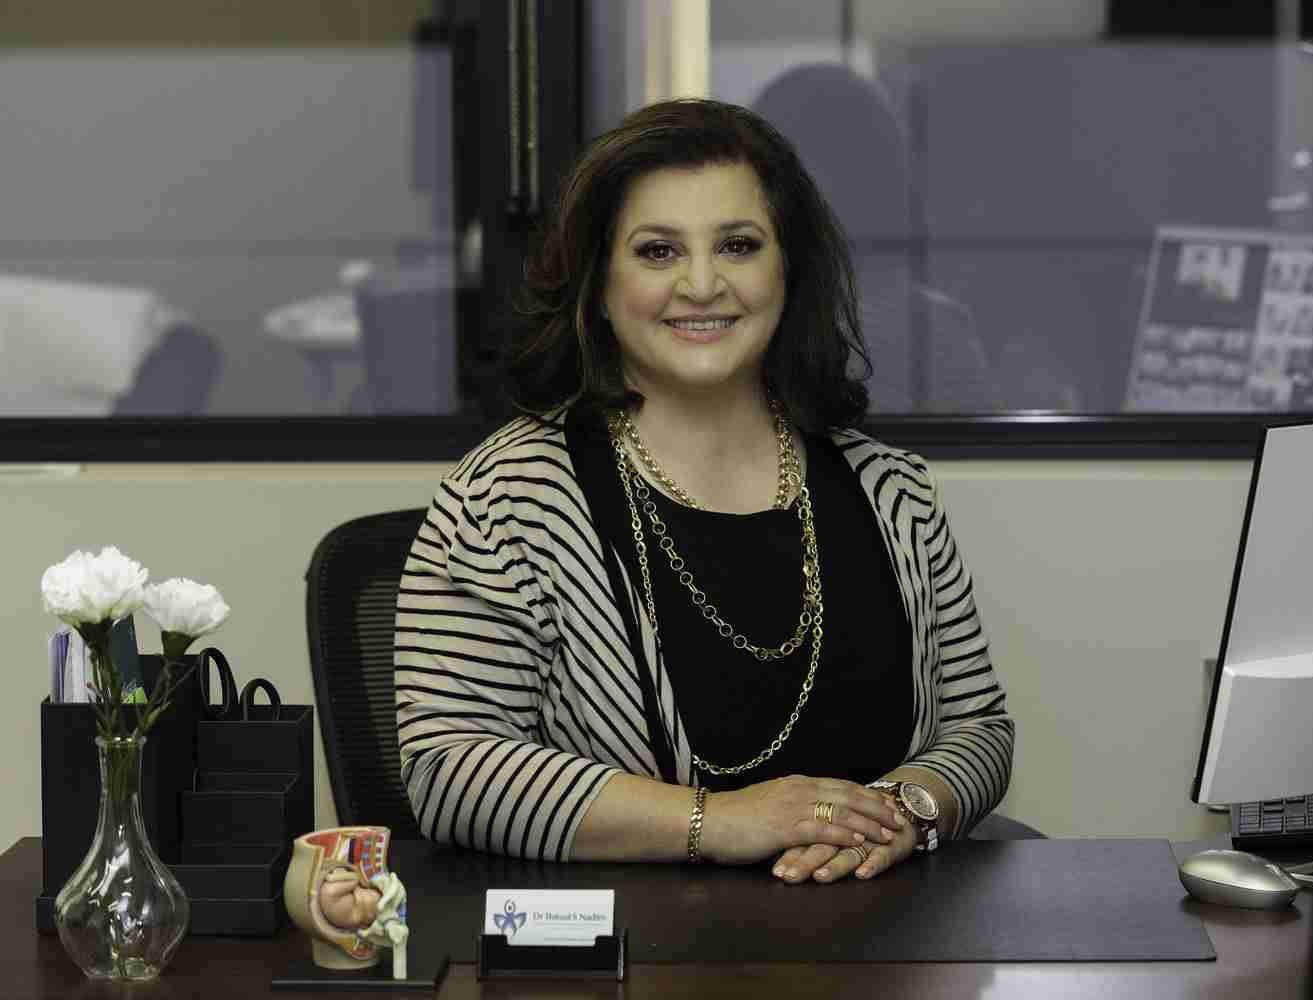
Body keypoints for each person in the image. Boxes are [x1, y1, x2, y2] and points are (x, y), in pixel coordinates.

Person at [394, 99, 1014, 885]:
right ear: (597, 283)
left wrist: (902, 813)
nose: (701, 283)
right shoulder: (507, 499)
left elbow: (977, 726)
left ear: (787, 270)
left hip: (889, 936)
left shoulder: (894, 491)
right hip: (641, 942)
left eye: (738, 245)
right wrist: (718, 822)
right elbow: (449, 769)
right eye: (657, 251)